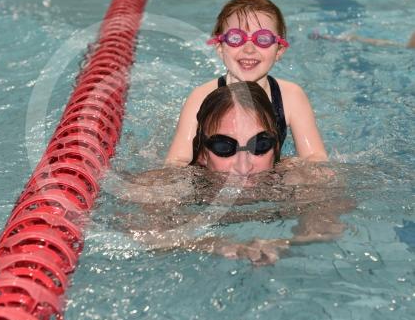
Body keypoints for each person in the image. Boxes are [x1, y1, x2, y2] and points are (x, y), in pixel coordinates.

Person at [121, 83, 349, 266]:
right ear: (202, 154)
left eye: (260, 145)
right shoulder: (176, 184)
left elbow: (328, 226)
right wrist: (214, 245)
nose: (243, 166)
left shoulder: (299, 179)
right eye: (224, 147)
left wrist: (283, 243)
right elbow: (144, 233)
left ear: (276, 148)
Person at [165, 0, 328, 167]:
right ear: (220, 47)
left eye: (262, 39)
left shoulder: (291, 96)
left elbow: (314, 156)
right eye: (236, 38)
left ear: (279, 50)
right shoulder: (201, 96)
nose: (249, 49)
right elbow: (178, 160)